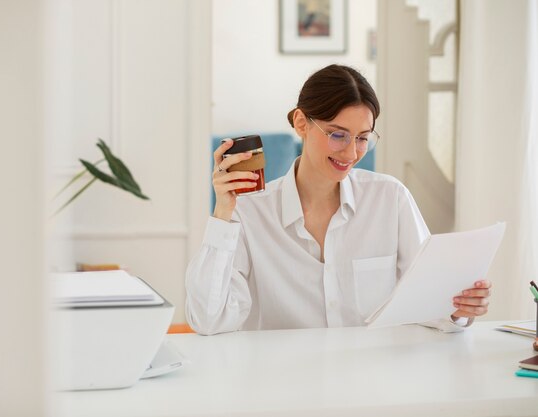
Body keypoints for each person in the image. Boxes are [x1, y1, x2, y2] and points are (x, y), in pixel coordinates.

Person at [185, 64, 491, 335]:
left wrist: (457, 310)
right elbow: (208, 320)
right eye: (337, 134)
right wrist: (222, 213)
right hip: (280, 387)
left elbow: (427, 300)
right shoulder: (249, 211)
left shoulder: (390, 199)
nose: (351, 153)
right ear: (301, 123)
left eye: (362, 138)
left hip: (372, 384)